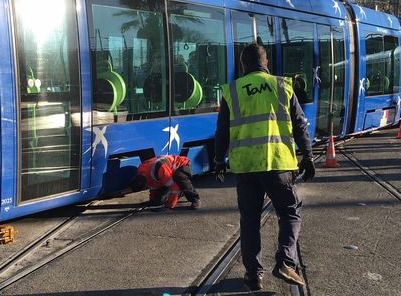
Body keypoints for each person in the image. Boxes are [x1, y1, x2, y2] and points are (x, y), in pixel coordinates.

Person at [214, 43, 315, 291]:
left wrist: (218, 160)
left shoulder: (233, 91)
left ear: (242, 65)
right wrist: (308, 157)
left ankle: (253, 274)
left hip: (246, 167)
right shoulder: (283, 86)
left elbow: (222, 131)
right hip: (278, 165)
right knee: (289, 213)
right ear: (266, 63)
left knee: (249, 220)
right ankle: (285, 262)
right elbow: (300, 125)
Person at [130, 155, 200, 210]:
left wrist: (169, 206)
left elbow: (174, 188)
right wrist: (153, 201)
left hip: (182, 165)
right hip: (165, 172)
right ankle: (157, 201)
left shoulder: (160, 170)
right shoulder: (141, 171)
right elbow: (153, 187)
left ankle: (195, 200)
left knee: (180, 178)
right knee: (159, 201)